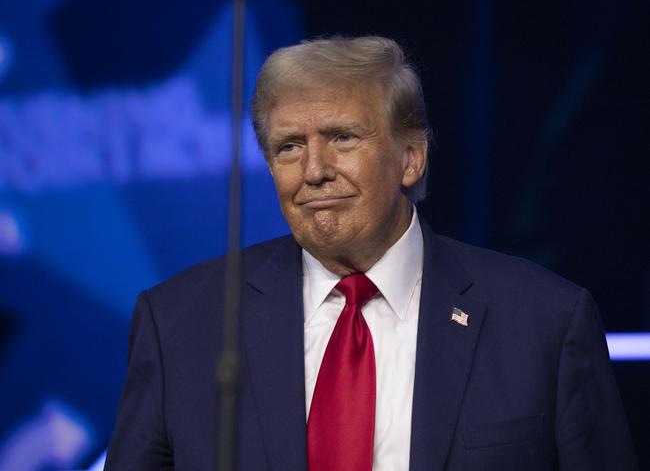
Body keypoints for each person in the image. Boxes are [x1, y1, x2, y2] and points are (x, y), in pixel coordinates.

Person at [104, 36, 638, 470]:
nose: (314, 170)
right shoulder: (182, 322)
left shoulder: (544, 322)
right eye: (289, 146)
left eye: (341, 138)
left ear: (411, 157)